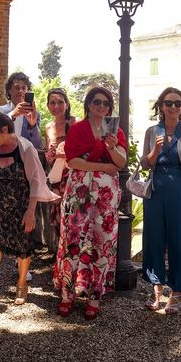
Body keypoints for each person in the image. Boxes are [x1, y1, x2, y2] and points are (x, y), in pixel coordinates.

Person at [0, 112, 58, 305]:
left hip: (22, 206)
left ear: (5, 129)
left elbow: (35, 181)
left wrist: (31, 211)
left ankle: (21, 284)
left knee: (23, 245)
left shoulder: (25, 148)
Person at [53, 87, 127, 320]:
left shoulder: (116, 132)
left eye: (105, 103)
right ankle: (67, 295)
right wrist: (104, 166)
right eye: (96, 101)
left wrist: (112, 146)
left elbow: (121, 163)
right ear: (88, 104)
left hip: (105, 195)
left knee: (102, 243)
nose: (101, 106)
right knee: (72, 239)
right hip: (79, 192)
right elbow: (73, 161)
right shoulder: (77, 129)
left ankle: (95, 297)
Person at [141, 88, 181, 314]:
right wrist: (155, 150)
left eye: (178, 103)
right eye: (169, 103)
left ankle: (176, 292)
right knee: (154, 238)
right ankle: (156, 289)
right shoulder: (152, 131)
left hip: (179, 190)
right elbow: (146, 164)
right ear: (161, 106)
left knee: (178, 240)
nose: (173, 107)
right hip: (156, 191)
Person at [44, 88, 78, 232]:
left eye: (60, 102)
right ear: (48, 106)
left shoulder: (76, 123)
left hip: (74, 177)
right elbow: (49, 154)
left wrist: (60, 155)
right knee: (59, 218)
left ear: (67, 104)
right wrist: (50, 156)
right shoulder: (48, 127)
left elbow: (81, 152)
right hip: (57, 178)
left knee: (75, 217)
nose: (56, 106)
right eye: (52, 103)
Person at [0, 72, 42, 149]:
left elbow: (37, 144)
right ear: (9, 90)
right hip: (3, 157)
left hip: (25, 158)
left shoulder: (35, 115)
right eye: (17, 88)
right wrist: (12, 115)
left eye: (24, 88)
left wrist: (32, 125)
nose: (21, 91)